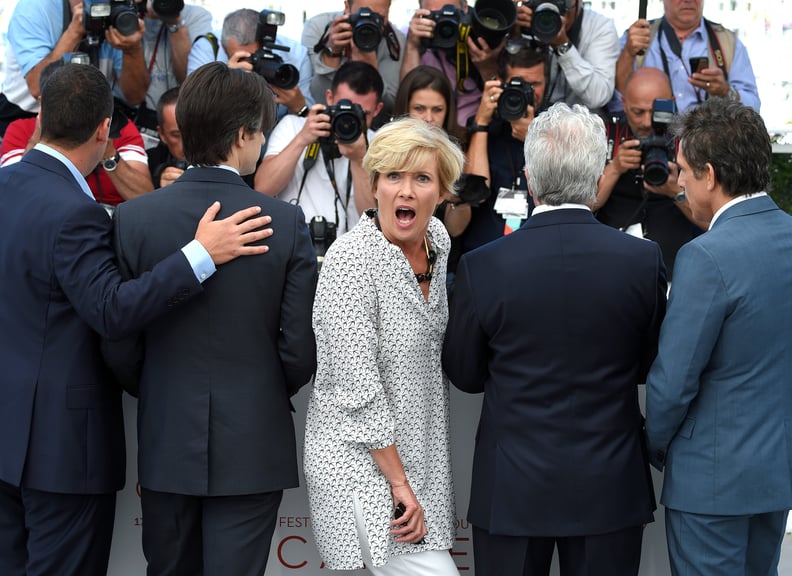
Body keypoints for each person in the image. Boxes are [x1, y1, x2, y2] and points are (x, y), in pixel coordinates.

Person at [0, 62, 273, 576]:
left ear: (41, 117)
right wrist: (201, 254)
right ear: (106, 131)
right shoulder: (73, 211)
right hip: (60, 453)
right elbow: (112, 310)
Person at [104, 61, 317, 576]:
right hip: (253, 440)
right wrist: (260, 390)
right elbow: (298, 352)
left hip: (165, 434)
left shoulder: (134, 219)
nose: (263, 140)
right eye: (262, 130)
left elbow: (119, 342)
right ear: (244, 134)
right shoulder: (284, 223)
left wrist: (159, 384)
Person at [444, 103, 666, 576]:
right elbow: (648, 364)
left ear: (527, 176)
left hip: (512, 489)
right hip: (609, 484)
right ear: (596, 174)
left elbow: (463, 374)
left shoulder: (484, 265)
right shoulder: (642, 262)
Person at [304, 117, 464, 574]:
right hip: (361, 470)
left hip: (419, 467)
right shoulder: (351, 260)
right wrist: (399, 483)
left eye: (422, 178)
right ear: (374, 185)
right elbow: (358, 389)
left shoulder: (438, 241)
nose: (406, 191)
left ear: (442, 191)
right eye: (394, 176)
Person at [645, 97, 792, 575]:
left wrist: (655, 443)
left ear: (709, 174)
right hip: (776, 473)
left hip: (710, 480)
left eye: (684, 168)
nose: (679, 180)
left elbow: (674, 380)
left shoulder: (705, 256)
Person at [595, 66, 704, 279]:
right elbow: (585, 204)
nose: (646, 122)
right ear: (624, 103)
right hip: (612, 267)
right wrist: (615, 168)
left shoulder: (691, 141)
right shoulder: (606, 135)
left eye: (655, 112)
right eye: (638, 112)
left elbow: (711, 219)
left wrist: (675, 191)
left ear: (671, 102)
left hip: (674, 271)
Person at [256, 61, 384, 239]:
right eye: (343, 109)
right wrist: (302, 139)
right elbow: (263, 189)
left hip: (354, 256)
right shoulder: (293, 126)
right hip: (296, 248)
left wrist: (359, 160)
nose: (349, 120)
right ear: (329, 97)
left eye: (361, 114)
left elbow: (375, 219)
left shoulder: (381, 143)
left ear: (378, 110)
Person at [1, 60, 153, 208]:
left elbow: (146, 200)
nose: (70, 107)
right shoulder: (20, 130)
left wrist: (108, 154)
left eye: (79, 101)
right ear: (42, 103)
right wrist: (40, 137)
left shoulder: (117, 128)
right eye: (60, 100)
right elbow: (12, 195)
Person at [0, 0, 148, 135]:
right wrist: (74, 32)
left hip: (89, 119)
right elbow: (38, 88)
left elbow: (135, 96)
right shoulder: (35, 8)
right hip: (28, 116)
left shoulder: (114, 8)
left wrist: (132, 49)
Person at [461, 41, 548, 253]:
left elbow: (561, 193)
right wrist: (481, 123)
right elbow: (476, 192)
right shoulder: (485, 123)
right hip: (486, 249)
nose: (529, 91)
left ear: (547, 82)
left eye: (535, 84)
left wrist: (534, 139)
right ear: (501, 83)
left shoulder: (555, 126)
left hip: (537, 250)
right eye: (519, 83)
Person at [614, 0, 760, 113]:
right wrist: (628, 53)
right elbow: (617, 103)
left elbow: (753, 106)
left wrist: (725, 91)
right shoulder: (639, 37)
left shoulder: (727, 42)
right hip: (651, 141)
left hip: (709, 144)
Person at [187, 8, 314, 120]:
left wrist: (299, 106)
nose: (249, 65)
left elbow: (311, 122)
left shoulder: (295, 55)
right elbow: (192, 110)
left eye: (254, 57)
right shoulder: (208, 48)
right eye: (240, 58)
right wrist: (225, 81)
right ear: (224, 47)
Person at [302, 0, 404, 125]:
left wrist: (371, 70)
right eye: (363, 14)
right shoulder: (318, 28)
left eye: (379, 17)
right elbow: (315, 98)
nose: (370, 23)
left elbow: (390, 108)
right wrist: (332, 53)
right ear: (347, 7)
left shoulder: (395, 41)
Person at [400, 0, 502, 126]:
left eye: (450, 11)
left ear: (465, 8)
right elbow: (405, 94)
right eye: (436, 14)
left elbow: (498, 96)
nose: (445, 20)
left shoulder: (477, 32)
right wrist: (413, 46)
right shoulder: (413, 35)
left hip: (475, 127)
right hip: (427, 128)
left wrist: (486, 65)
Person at [516, 0, 619, 115]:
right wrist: (513, 31)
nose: (552, 10)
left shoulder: (600, 27)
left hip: (578, 125)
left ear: (579, 2)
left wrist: (563, 45)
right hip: (525, 116)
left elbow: (598, 96)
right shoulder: (526, 19)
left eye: (561, 3)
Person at [127, 0, 213, 131]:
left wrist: (175, 21)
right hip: (135, 119)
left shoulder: (197, 16)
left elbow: (190, 81)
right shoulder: (125, 13)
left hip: (179, 123)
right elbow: (132, 96)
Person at [146, 86, 186, 188]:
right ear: (162, 134)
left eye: (193, 132)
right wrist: (158, 188)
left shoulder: (222, 159)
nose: (187, 143)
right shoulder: (148, 163)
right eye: (176, 135)